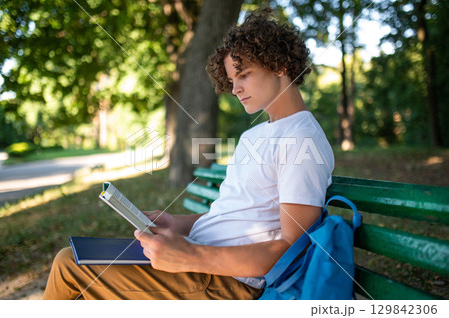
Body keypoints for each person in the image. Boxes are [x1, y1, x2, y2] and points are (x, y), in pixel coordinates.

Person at [43, 8, 334, 300]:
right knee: (80, 264)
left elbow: (292, 250)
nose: (235, 89)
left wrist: (191, 256)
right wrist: (177, 223)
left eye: (244, 75)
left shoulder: (300, 140)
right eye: (232, 80)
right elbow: (233, 214)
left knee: (70, 266)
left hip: (228, 283)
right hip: (201, 263)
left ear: (280, 66)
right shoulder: (256, 135)